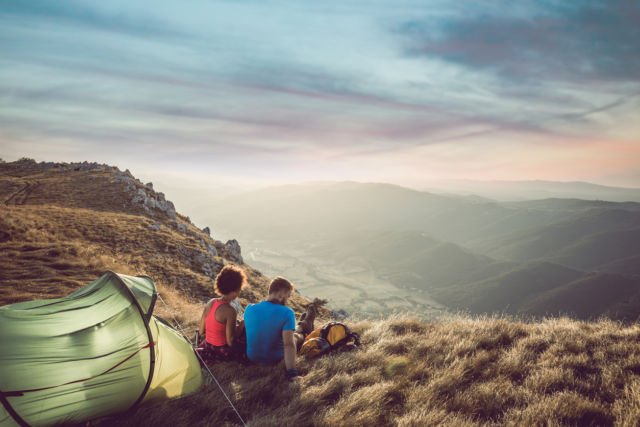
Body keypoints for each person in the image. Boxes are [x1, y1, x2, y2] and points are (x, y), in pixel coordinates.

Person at [244, 277, 317, 380]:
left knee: (287, 331)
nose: (286, 300)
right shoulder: (287, 312)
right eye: (287, 297)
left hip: (253, 357)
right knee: (295, 337)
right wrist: (292, 372)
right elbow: (288, 344)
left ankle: (302, 324)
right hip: (274, 359)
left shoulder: (249, 308)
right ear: (281, 295)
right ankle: (305, 324)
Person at [197, 265, 246, 363]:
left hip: (206, 347)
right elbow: (230, 341)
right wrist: (241, 326)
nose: (240, 291)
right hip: (220, 351)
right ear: (234, 290)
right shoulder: (230, 310)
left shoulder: (211, 302)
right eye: (240, 289)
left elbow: (201, 331)